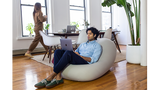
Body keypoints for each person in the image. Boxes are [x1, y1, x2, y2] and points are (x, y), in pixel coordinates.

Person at [34, 27, 102, 89]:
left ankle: (51, 76)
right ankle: (58, 77)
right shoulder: (83, 44)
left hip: (85, 61)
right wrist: (70, 51)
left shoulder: (97, 46)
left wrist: (80, 56)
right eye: (87, 33)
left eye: (90, 34)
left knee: (68, 53)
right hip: (77, 58)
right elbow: (75, 52)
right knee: (58, 51)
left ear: (95, 35)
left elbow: (93, 59)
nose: (88, 35)